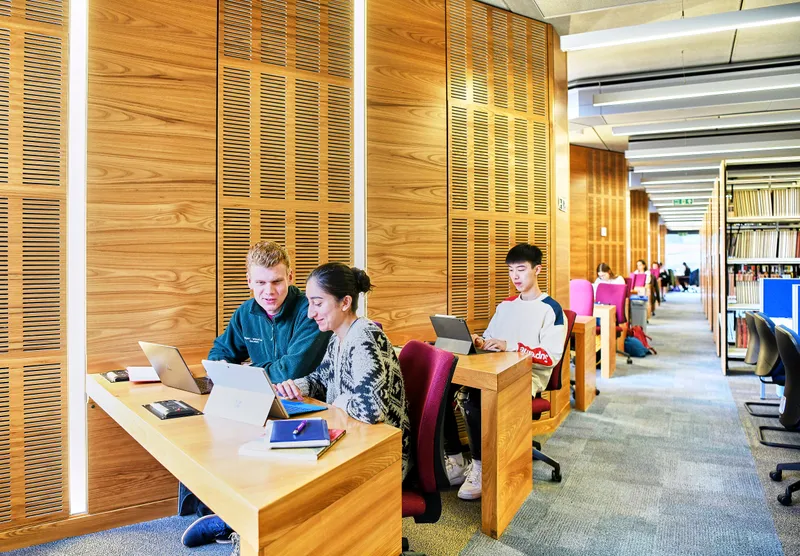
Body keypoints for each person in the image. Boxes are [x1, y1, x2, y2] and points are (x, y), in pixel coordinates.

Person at [179, 242, 331, 549]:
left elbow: (291, 367)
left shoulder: (309, 311)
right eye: (260, 283)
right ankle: (216, 511)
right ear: (249, 282)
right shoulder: (246, 312)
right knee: (201, 428)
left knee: (238, 435)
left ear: (290, 276)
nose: (268, 292)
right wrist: (228, 366)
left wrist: (245, 370)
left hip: (309, 405)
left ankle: (233, 521)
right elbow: (221, 351)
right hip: (262, 400)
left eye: (276, 281)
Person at [443, 243, 565, 500]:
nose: (516, 277)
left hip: (525, 378)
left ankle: (479, 466)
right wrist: (479, 341)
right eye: (511, 271)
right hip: (493, 371)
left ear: (537, 270)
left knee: (475, 399)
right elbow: (491, 339)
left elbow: (549, 357)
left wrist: (511, 346)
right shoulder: (506, 306)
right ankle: (455, 460)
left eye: (521, 270)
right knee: (442, 389)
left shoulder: (551, 310)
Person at [275, 262, 412, 480]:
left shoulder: (363, 337)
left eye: (317, 303)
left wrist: (339, 401)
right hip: (355, 439)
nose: (310, 313)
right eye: (309, 303)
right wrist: (292, 387)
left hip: (385, 456)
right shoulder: (337, 337)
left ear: (345, 302)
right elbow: (320, 379)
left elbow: (371, 409)